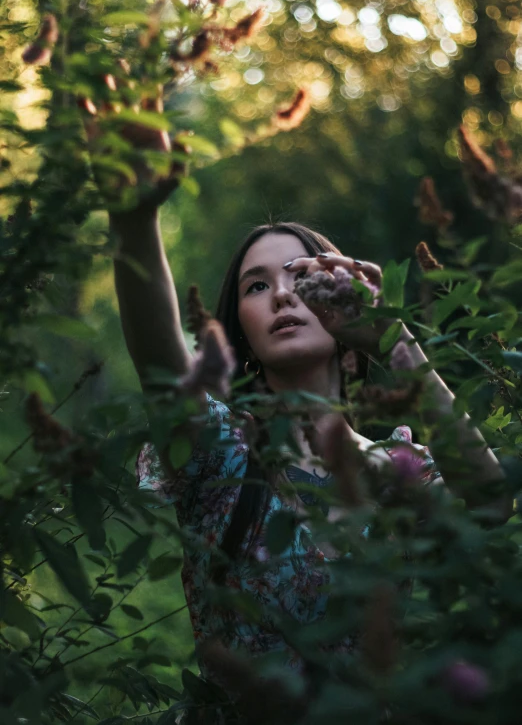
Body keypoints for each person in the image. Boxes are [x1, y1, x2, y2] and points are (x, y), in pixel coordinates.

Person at [111, 200, 511, 672]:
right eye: (256, 286)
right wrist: (135, 216)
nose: (281, 295)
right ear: (242, 334)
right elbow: (162, 363)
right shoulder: (219, 448)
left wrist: (394, 339)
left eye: (299, 278)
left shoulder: (401, 468)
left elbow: (490, 501)